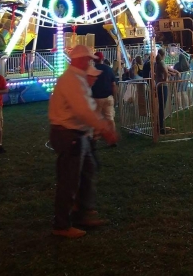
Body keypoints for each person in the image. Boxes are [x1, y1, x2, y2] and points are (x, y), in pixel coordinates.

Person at [49, 45, 118, 238]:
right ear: (79, 60)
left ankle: (82, 212)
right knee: (69, 180)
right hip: (69, 134)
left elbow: (85, 110)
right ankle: (62, 224)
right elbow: (83, 110)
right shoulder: (72, 80)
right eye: (88, 59)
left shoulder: (77, 78)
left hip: (77, 134)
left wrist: (94, 129)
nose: (90, 62)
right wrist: (103, 128)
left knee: (88, 170)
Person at [92, 52, 118, 132]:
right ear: (102, 59)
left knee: (96, 119)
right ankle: (113, 136)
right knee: (110, 118)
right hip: (108, 97)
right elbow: (113, 85)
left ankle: (96, 136)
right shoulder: (108, 69)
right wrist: (115, 97)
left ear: (94, 60)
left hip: (96, 98)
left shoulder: (91, 70)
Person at [154, 49, 170, 134]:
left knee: (160, 106)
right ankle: (161, 127)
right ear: (164, 55)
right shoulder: (161, 62)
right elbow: (166, 72)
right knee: (162, 107)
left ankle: (159, 125)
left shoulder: (156, 63)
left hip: (158, 85)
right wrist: (165, 79)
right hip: (163, 86)